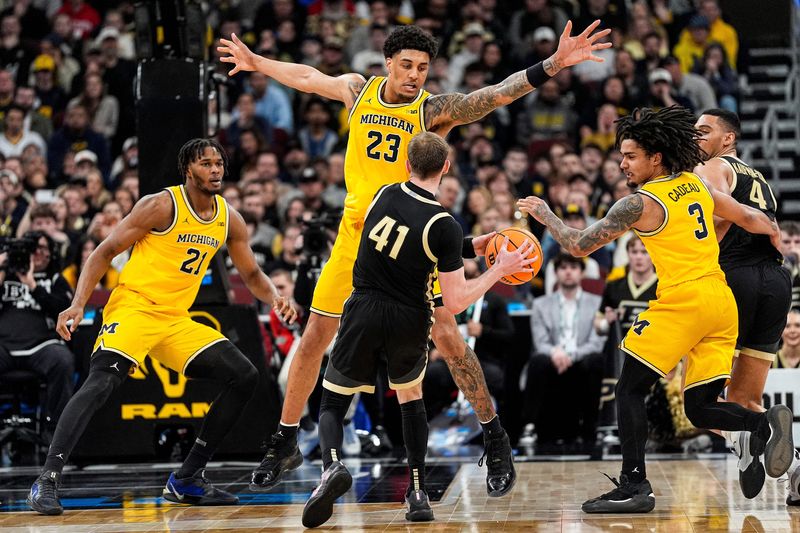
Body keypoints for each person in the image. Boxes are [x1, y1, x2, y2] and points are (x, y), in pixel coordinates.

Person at [219, 20, 612, 496]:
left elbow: (494, 95)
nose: (414, 75)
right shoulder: (357, 91)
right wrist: (257, 62)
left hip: (409, 239)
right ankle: (285, 440)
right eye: (406, 65)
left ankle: (495, 437)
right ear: (388, 63)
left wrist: (552, 64)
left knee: (448, 336)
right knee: (314, 335)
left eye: (422, 68)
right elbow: (305, 76)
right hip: (355, 237)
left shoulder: (431, 110)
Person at [517, 105, 793, 513]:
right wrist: (774, 234)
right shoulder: (695, 184)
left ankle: (635, 485)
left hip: (684, 301)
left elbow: (577, 245)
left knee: (629, 389)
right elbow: (750, 216)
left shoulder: (638, 203)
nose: (622, 164)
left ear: (656, 157)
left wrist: (545, 215)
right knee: (699, 408)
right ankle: (761, 423)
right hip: (721, 301)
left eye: (630, 156)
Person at [26, 139, 296, 515]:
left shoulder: (229, 218)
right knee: (101, 383)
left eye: (219, 163)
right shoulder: (160, 205)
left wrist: (275, 297)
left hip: (175, 319)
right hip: (134, 308)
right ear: (188, 169)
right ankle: (46, 480)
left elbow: (251, 273)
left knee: (245, 375)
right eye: (206, 164)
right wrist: (78, 303)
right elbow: (104, 251)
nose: (216, 169)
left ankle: (188, 478)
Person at [301, 132, 535, 528]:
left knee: (332, 400)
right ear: (446, 167)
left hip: (363, 307)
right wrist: (498, 269)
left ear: (408, 164)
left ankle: (332, 465)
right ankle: (418, 493)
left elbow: (408, 236)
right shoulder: (444, 224)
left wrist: (471, 246)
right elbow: (456, 301)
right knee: (411, 401)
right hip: (409, 317)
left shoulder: (382, 194)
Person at [693, 108, 794, 499]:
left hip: (734, 279)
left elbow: (714, 212)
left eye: (704, 131)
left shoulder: (713, 167)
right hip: (775, 282)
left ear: (728, 138)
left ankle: (745, 441)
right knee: (745, 399)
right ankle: (796, 472)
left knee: (697, 400)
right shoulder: (760, 178)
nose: (697, 137)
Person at [0, 231, 74, 438]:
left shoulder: (56, 279)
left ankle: (57, 435)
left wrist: (32, 285)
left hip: (42, 346)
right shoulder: (5, 276)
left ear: (51, 253)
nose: (37, 253)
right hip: (4, 346)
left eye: (43, 248)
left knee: (63, 360)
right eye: (33, 248)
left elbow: (64, 310)